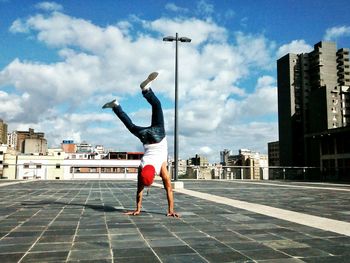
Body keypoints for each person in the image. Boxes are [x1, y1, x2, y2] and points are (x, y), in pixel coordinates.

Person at [102, 72, 179, 217]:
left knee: (157, 106)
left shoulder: (160, 169)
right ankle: (117, 105)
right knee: (131, 126)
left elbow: (168, 189)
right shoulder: (142, 167)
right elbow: (139, 191)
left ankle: (144, 91)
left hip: (158, 135)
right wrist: (139, 209)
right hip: (146, 138)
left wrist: (169, 210)